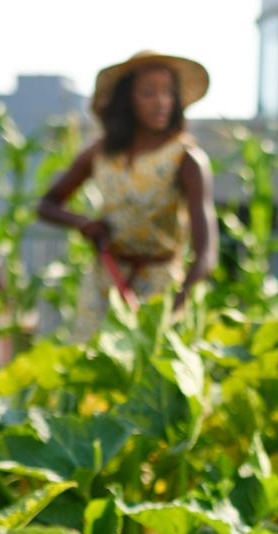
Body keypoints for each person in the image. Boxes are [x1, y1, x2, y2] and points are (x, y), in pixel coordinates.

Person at [36, 50, 218, 338]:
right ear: (127, 100)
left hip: (160, 289)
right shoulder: (101, 153)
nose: (161, 102)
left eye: (168, 93)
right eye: (148, 93)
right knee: (90, 368)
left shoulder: (186, 159)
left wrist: (174, 307)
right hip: (105, 281)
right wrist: (83, 224)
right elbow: (46, 204)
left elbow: (206, 255)